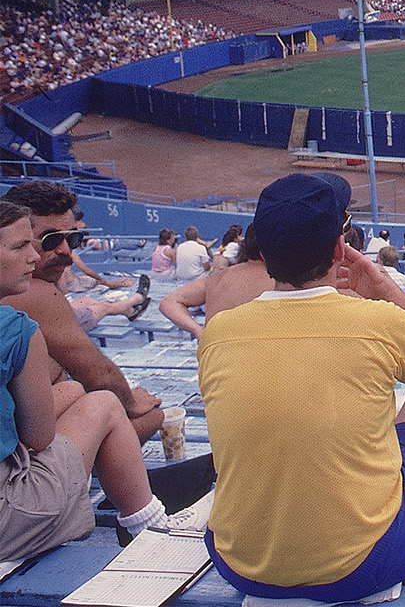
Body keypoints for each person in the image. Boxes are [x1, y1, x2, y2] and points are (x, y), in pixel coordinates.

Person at [199, 173, 405, 601]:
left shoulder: (219, 333)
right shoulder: (376, 322)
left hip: (238, 564)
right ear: (340, 247)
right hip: (363, 565)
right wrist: (389, 292)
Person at [0, 201, 210, 560]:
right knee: (105, 404)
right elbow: (38, 436)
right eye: (23, 246)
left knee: (72, 389)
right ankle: (152, 529)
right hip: (11, 517)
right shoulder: (17, 329)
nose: (33, 256)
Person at [0, 181, 164, 443]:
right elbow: (98, 374)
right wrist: (132, 402)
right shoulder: (33, 292)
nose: (65, 250)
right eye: (51, 240)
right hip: (20, 450)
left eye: (73, 238)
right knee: (150, 416)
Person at [159, 225, 274, 339]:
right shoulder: (279, 282)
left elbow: (168, 302)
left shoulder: (216, 279)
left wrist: (198, 331)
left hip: (216, 351)